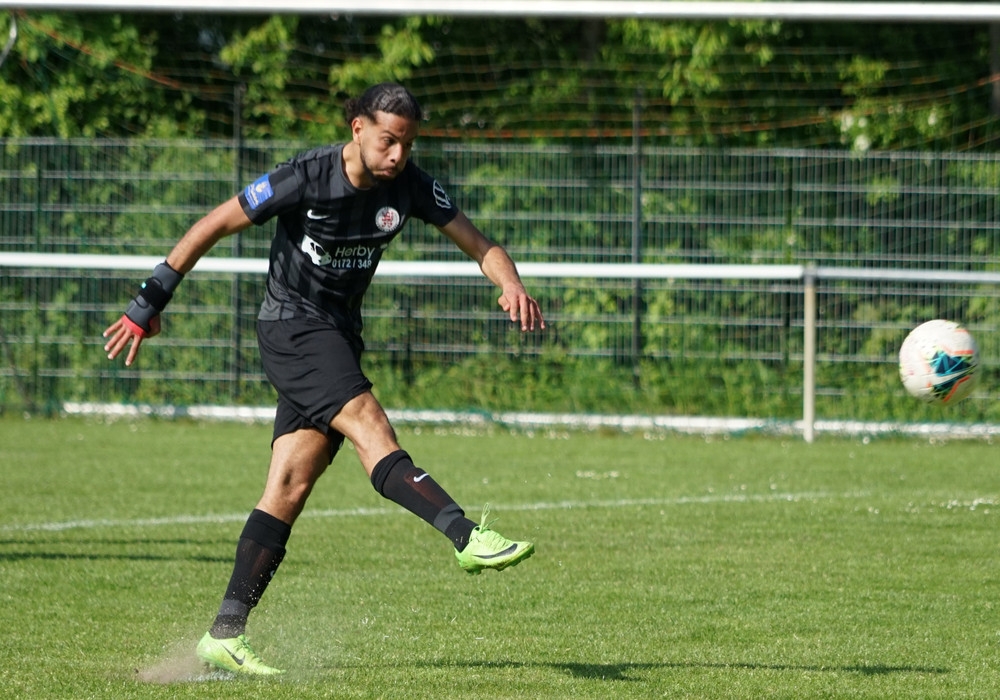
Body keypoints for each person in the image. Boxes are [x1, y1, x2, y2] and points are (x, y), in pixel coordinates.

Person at [103, 82, 545, 676]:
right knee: (369, 423)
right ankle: (466, 535)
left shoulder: (410, 186)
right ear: (358, 129)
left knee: (289, 484)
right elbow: (214, 223)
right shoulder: (304, 177)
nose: (398, 155)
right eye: (388, 141)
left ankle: (224, 635)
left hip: (338, 337)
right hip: (292, 328)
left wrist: (509, 282)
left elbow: (479, 243)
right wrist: (149, 300)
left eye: (408, 144)